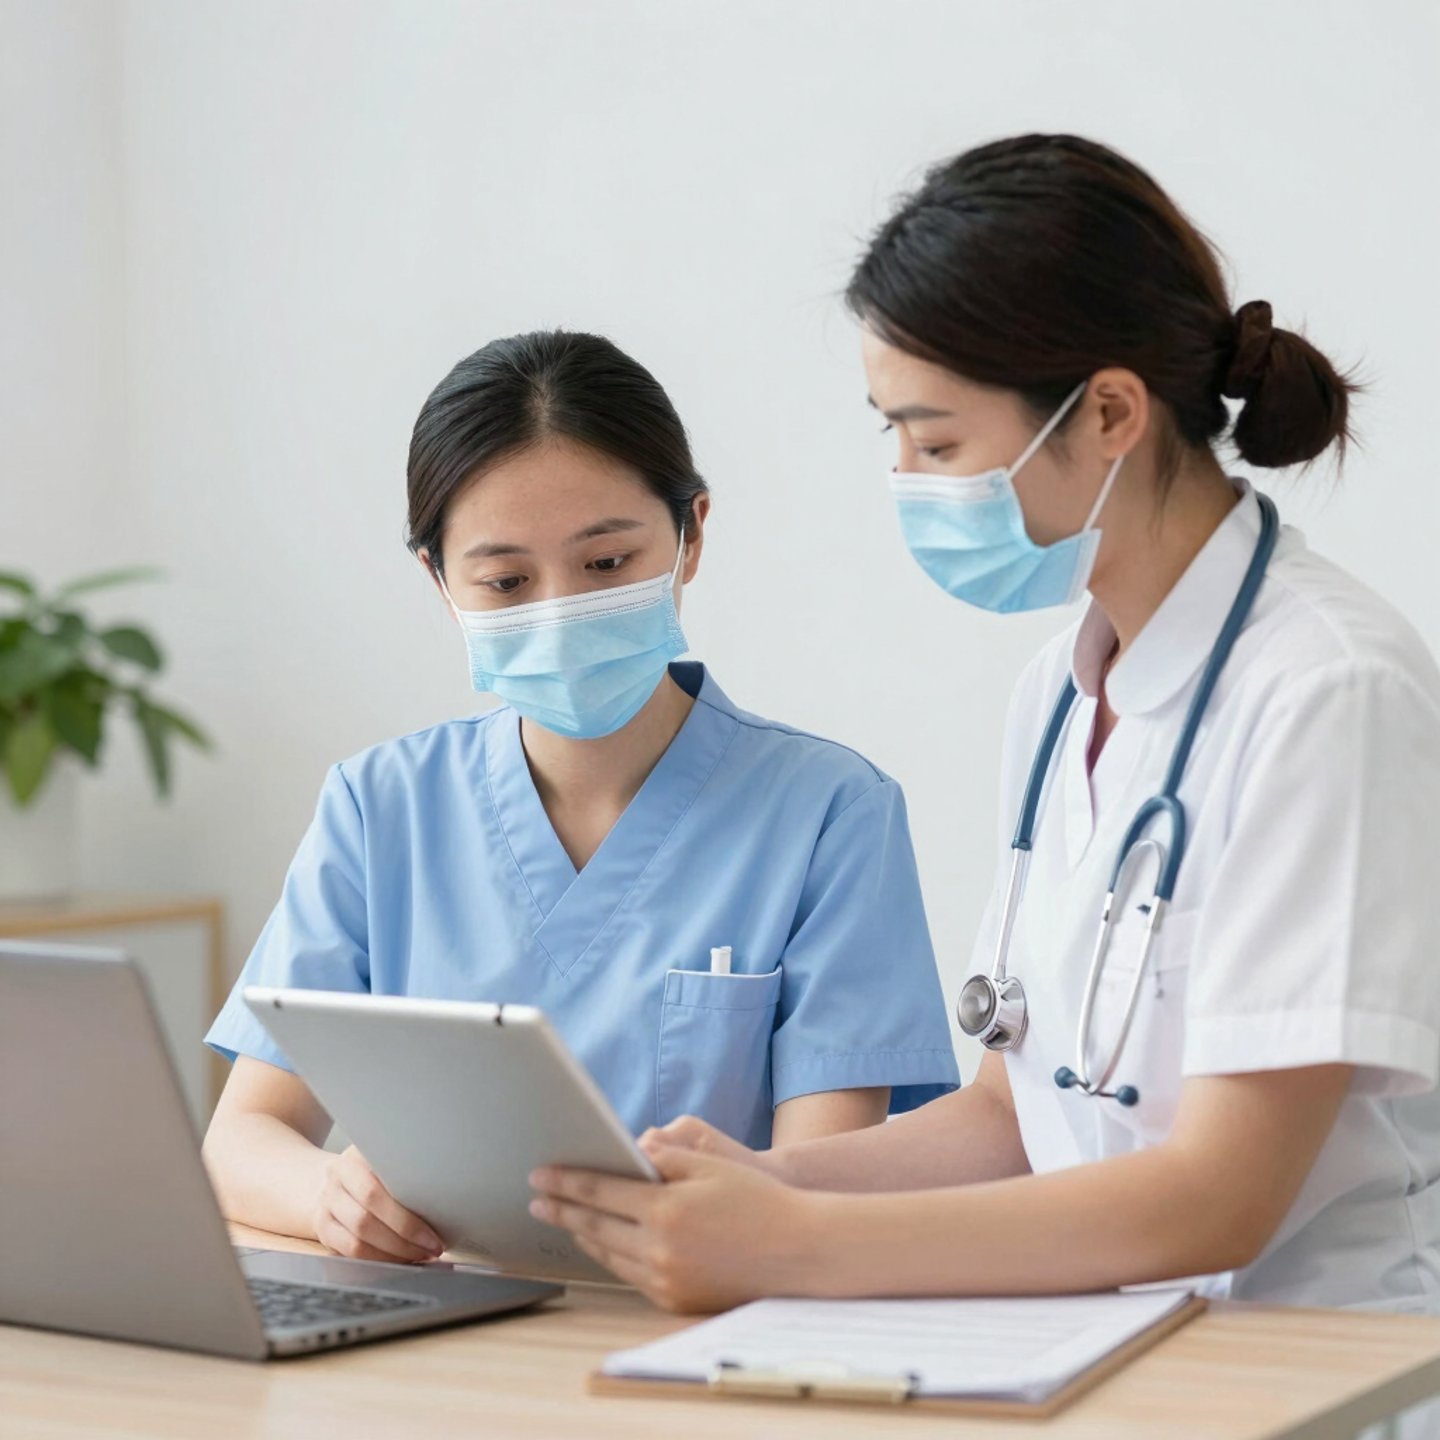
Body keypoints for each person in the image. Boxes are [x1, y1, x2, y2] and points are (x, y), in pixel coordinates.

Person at [530, 136, 1440, 1353]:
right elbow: (1016, 1116)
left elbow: (1222, 1195)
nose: (905, 478)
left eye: (938, 441)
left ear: (1109, 412)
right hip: (1097, 1353)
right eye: (891, 434)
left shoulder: (1328, 690)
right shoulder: (1059, 695)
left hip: (1308, 1369)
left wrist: (797, 1248)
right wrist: (749, 1188)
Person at [202, 329, 959, 1264]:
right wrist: (334, 1194)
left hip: (706, 1326)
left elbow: (819, 1183)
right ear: (440, 582)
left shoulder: (830, 813)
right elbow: (239, 1142)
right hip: (444, 1344)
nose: (558, 611)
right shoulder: (378, 808)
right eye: (506, 581)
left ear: (691, 537)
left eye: (604, 566)